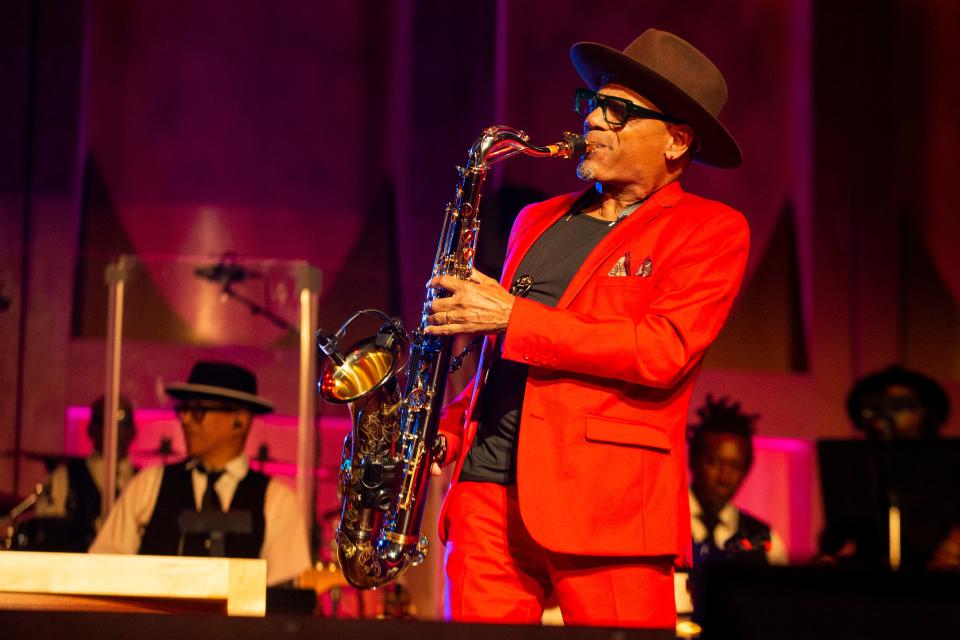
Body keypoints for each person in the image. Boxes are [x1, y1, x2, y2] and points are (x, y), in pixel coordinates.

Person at [424, 28, 750, 628]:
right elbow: (508, 354)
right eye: (594, 101)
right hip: (487, 495)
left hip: (609, 507)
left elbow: (662, 350)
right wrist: (445, 428)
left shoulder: (710, 230)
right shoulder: (535, 219)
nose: (594, 118)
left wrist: (511, 316)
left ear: (676, 140)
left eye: (618, 110)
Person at [90, 361, 312, 586]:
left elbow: (284, 597)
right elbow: (102, 569)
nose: (185, 420)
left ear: (240, 421)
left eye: (197, 411)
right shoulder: (148, 485)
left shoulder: (277, 501)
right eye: (183, 410)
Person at [817, 365, 954, 570]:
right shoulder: (858, 467)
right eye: (875, 408)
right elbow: (837, 536)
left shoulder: (948, 465)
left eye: (900, 406)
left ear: (925, 413)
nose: (887, 416)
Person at [687, 395, 787, 566]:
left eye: (735, 467)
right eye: (715, 463)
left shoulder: (764, 540)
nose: (724, 478)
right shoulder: (663, 526)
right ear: (692, 460)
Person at [31, 395, 137, 551]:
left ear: (133, 431)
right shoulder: (65, 476)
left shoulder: (143, 481)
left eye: (123, 422)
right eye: (104, 421)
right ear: (91, 429)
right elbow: (48, 531)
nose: (114, 429)